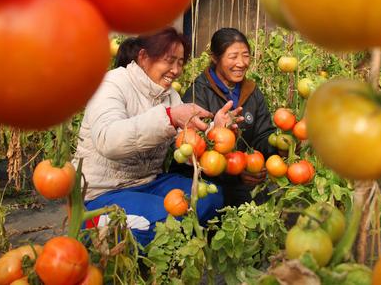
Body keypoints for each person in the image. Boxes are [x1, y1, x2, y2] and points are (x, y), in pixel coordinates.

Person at [73, 27, 234, 247]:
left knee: (210, 199)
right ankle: (94, 224)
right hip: (103, 192)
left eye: (180, 62)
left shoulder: (170, 96)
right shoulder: (112, 84)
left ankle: (151, 240)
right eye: (169, 61)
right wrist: (169, 118)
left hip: (149, 182)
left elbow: (187, 147)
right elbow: (107, 139)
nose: (176, 70)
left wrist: (213, 132)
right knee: (164, 220)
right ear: (143, 57)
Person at [181, 28, 277, 207]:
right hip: (207, 180)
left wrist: (280, 145)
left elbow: (262, 135)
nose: (241, 63)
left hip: (245, 176)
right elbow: (193, 148)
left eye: (246, 55)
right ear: (215, 58)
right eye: (233, 57)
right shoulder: (198, 93)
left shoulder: (252, 92)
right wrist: (235, 170)